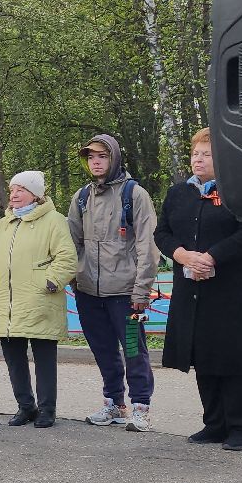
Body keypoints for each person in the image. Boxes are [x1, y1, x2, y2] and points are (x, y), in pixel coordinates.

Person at [155, 130, 242, 450]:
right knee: (203, 355)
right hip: (192, 289)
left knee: (235, 358)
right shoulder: (179, 193)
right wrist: (181, 254)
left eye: (206, 154)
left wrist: (212, 256)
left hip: (233, 292)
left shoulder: (241, 191)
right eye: (195, 154)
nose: (198, 159)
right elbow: (162, 233)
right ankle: (215, 423)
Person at [68, 134, 161, 431]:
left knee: (134, 349)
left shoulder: (134, 194)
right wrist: (75, 276)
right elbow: (71, 242)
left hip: (125, 292)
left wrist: (141, 289)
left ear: (115, 159)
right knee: (103, 350)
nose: (96, 162)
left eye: (102, 156)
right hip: (88, 291)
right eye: (91, 157)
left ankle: (140, 407)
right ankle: (114, 404)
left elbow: (148, 244)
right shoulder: (82, 196)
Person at [0, 171, 77, 429]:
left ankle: (47, 409)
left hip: (40, 299)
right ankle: (26, 406)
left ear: (36, 195)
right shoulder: (4, 224)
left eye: (20, 190)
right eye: (12, 189)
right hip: (6, 302)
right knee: (14, 359)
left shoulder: (54, 220)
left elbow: (67, 258)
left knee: (44, 360)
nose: (13, 195)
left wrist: (50, 280)